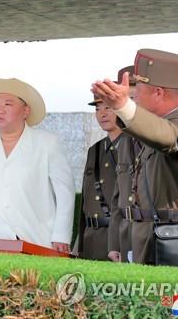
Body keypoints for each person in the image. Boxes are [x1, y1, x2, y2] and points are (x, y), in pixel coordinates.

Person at [91, 49, 178, 265]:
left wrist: (122, 106)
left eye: (137, 94)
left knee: (177, 300)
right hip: (152, 240)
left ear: (158, 92)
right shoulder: (150, 128)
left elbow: (168, 136)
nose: (133, 99)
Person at [0, 77, 75, 252]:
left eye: (8, 104)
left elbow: (65, 190)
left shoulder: (47, 143)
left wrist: (61, 234)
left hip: (36, 237)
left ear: (25, 110)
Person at [74, 92, 122, 260]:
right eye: (98, 109)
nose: (102, 114)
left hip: (118, 241)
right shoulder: (94, 150)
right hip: (91, 239)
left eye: (108, 108)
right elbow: (86, 202)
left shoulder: (134, 147)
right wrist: (79, 246)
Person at [107, 65, 136, 263]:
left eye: (132, 99)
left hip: (159, 237)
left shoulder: (169, 135)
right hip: (127, 238)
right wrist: (114, 244)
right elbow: (119, 197)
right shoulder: (126, 140)